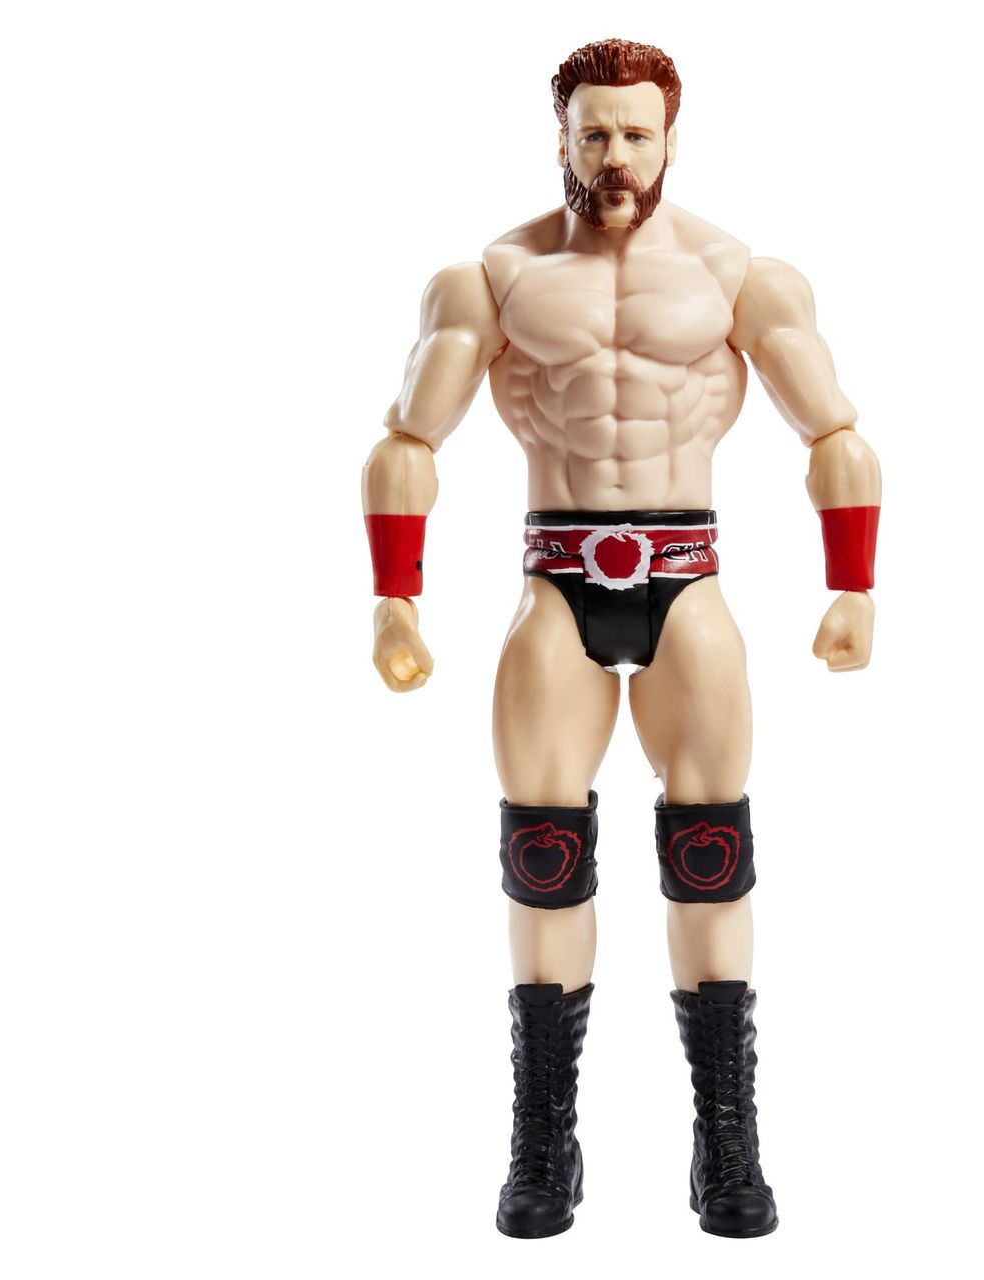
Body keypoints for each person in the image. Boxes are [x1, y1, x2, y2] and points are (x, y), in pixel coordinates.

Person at [361, 38, 880, 1239]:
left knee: (710, 854)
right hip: (553, 578)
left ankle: (725, 1138)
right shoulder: (491, 279)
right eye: (593, 132)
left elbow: (835, 433)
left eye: (635, 133)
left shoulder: (737, 276)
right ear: (560, 136)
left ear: (669, 140)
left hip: (686, 576)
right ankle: (543, 1139)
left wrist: (851, 585)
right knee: (541, 857)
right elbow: (406, 443)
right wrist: (395, 596)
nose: (614, 155)